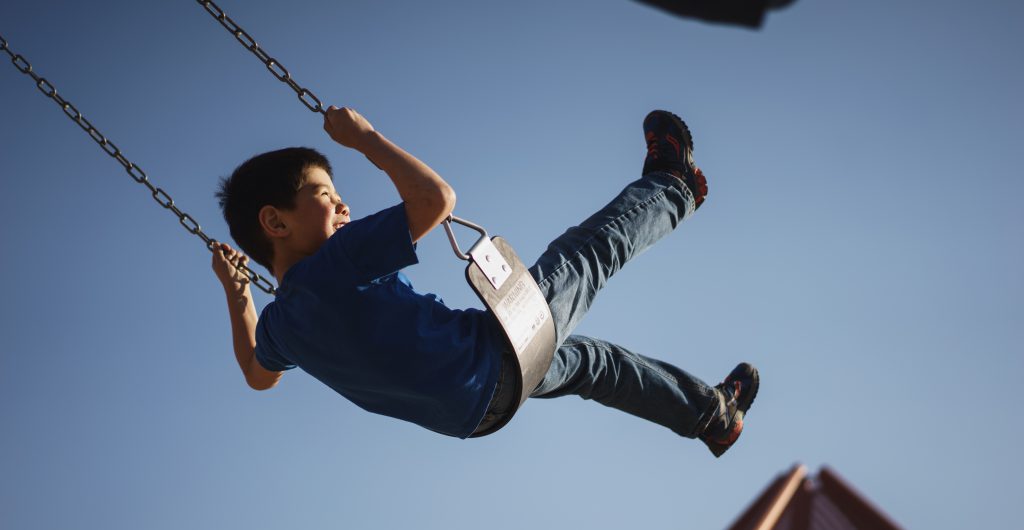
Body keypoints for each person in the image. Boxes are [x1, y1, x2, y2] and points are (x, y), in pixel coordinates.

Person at [211, 107, 759, 457]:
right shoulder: (335, 264)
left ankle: (711, 415)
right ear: (275, 222)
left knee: (596, 365)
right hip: (489, 359)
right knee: (584, 257)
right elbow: (435, 200)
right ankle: (674, 187)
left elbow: (258, 374)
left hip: (475, 412)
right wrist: (366, 139)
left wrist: (239, 298)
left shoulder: (281, 324)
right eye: (324, 194)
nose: (341, 202)